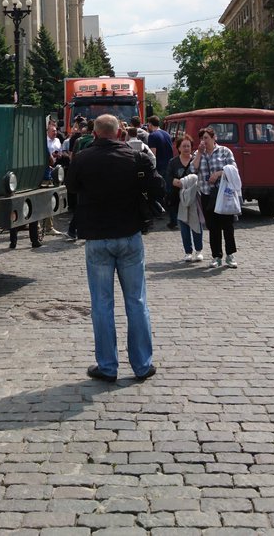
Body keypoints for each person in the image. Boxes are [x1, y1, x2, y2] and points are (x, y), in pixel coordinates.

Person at [67, 114, 155, 383]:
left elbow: (71, 188)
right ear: (119, 134)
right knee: (136, 302)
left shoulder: (82, 159)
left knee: (102, 305)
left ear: (94, 134)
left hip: (97, 238)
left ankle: (107, 366)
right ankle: (142, 365)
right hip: (129, 235)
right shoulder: (135, 158)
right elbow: (154, 187)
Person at [192, 127, 238, 269]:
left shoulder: (224, 151)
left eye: (206, 137)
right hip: (207, 194)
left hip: (223, 194)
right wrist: (199, 153)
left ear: (214, 138)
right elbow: (193, 169)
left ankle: (230, 255)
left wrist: (218, 173)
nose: (204, 141)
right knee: (213, 227)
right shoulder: (199, 153)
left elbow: (233, 168)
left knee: (227, 226)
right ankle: (216, 256)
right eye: (202, 138)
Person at [166, 134, 203, 262]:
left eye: (188, 146)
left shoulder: (196, 160)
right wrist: (174, 181)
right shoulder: (173, 162)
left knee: (196, 224)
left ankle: (199, 250)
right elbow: (168, 177)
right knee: (183, 224)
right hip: (180, 198)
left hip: (195, 198)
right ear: (179, 148)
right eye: (184, 146)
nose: (186, 148)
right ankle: (188, 251)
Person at [146, 116, 175, 227]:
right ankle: (170, 210)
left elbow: (153, 154)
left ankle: (160, 210)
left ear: (150, 124)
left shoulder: (152, 136)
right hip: (169, 164)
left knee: (158, 189)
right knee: (168, 189)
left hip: (160, 166)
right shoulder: (166, 134)